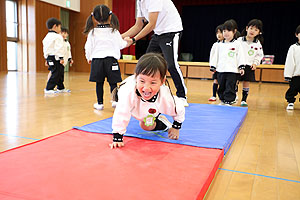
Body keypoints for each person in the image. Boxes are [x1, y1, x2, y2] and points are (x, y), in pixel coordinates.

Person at [110, 53, 185, 149]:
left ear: (162, 81)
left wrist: (176, 127)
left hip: (151, 107)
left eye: (153, 82)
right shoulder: (127, 92)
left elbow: (179, 107)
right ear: (136, 78)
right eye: (142, 81)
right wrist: (117, 137)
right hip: (133, 101)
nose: (146, 88)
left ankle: (164, 123)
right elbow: (121, 113)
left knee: (146, 125)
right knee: (124, 104)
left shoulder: (164, 95)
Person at [122, 0, 188, 107]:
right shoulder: (139, 2)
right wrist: (118, 38)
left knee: (171, 64)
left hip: (171, 32)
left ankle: (182, 96)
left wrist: (134, 40)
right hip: (158, 33)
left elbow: (152, 24)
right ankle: (141, 94)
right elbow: (138, 25)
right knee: (145, 65)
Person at [84, 5, 129, 110]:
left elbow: (88, 47)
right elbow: (121, 45)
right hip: (111, 60)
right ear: (110, 16)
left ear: (94, 18)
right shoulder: (114, 31)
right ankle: (115, 101)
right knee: (113, 82)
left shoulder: (92, 32)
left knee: (99, 83)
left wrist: (88, 57)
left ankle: (100, 103)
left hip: (97, 61)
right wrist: (128, 41)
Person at [210, 19, 245, 106]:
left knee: (230, 86)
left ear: (234, 31)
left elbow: (240, 56)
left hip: (232, 71)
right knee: (221, 86)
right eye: (224, 31)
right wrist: (213, 66)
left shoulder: (237, 44)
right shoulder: (219, 45)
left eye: (229, 30)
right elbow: (215, 56)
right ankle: (222, 99)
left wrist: (241, 67)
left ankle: (229, 100)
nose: (226, 33)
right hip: (221, 70)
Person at [237, 19, 264, 107]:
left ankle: (244, 100)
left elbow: (259, 55)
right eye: (251, 28)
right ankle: (234, 95)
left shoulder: (257, 43)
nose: (253, 31)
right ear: (246, 28)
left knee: (246, 82)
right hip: (238, 65)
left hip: (249, 66)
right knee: (235, 81)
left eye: (256, 30)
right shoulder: (239, 40)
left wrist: (255, 63)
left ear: (259, 32)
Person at [43, 18, 66, 94]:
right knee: (57, 73)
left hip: (49, 57)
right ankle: (49, 88)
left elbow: (46, 49)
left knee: (58, 72)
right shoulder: (57, 37)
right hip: (56, 57)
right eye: (59, 27)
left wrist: (46, 58)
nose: (60, 29)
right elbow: (58, 48)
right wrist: (61, 58)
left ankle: (61, 87)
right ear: (55, 26)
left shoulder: (46, 37)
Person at [46, 27, 73, 93]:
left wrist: (70, 59)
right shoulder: (58, 41)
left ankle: (60, 88)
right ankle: (49, 88)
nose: (64, 34)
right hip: (57, 59)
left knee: (60, 75)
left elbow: (68, 51)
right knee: (55, 74)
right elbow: (55, 50)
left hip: (63, 61)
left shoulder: (67, 43)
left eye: (66, 33)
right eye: (62, 33)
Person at [284, 25, 300, 110]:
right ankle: (290, 102)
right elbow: (290, 62)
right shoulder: (293, 48)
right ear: (296, 35)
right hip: (295, 75)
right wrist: (288, 75)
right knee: (293, 89)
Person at [209, 24, 224, 101]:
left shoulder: (227, 45)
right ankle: (214, 95)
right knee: (216, 80)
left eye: (220, 32)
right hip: (216, 66)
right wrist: (212, 66)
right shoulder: (215, 44)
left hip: (224, 67)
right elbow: (212, 56)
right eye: (217, 32)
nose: (218, 34)